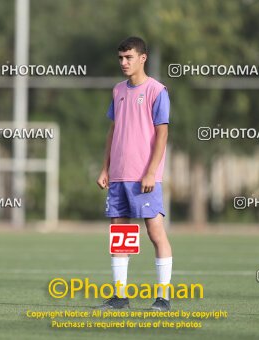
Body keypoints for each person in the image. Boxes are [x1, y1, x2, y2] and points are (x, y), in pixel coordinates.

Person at [96, 37, 173, 311]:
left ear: (143, 58)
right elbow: (113, 131)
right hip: (118, 175)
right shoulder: (117, 90)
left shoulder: (156, 90)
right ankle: (120, 296)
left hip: (144, 177)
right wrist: (105, 167)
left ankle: (163, 298)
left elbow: (162, 134)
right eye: (120, 58)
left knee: (155, 233)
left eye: (128, 57)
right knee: (121, 233)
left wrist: (151, 172)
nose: (123, 63)